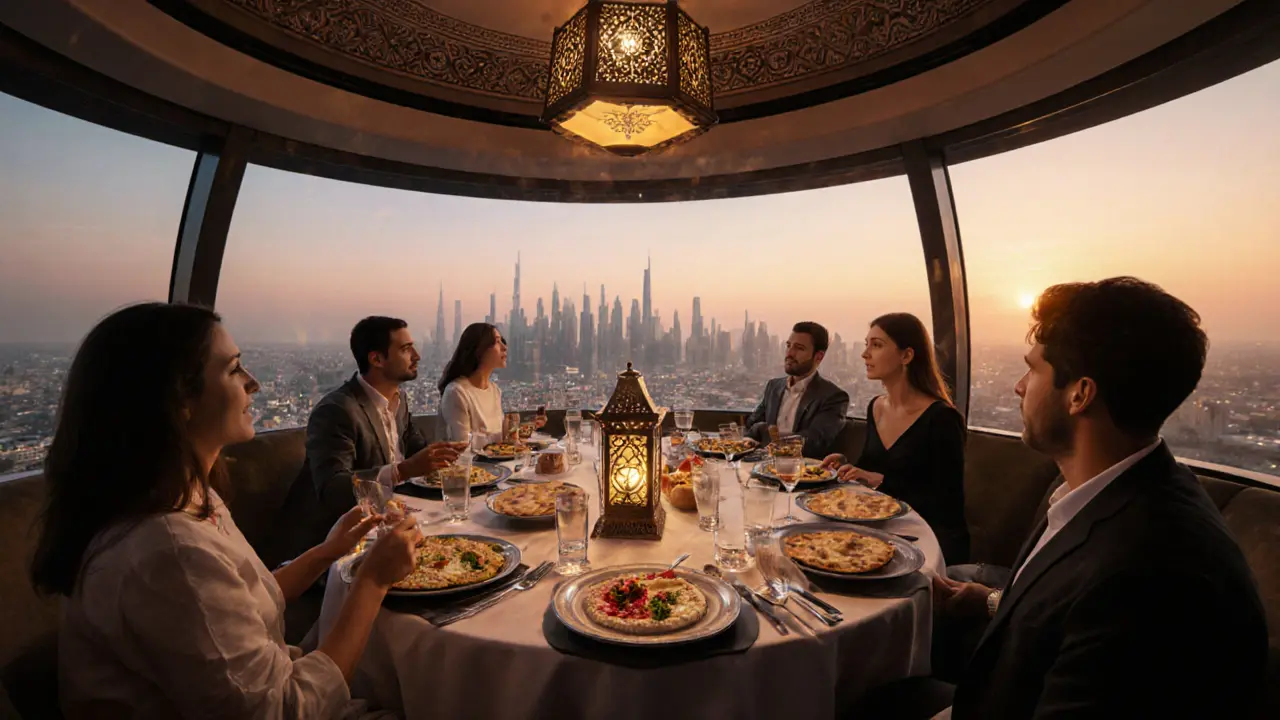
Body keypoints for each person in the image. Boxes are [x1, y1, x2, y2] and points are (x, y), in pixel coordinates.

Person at [32, 303, 418, 719]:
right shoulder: (168, 550)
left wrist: (327, 551)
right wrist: (373, 580)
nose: (253, 383)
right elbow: (285, 711)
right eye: (234, 369)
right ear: (180, 399)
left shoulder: (187, 498)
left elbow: (243, 599)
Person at [934, 278, 1267, 718]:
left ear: (1080, 394)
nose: (1019, 386)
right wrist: (992, 601)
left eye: (1033, 370)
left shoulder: (1151, 578)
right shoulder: (1107, 493)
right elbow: (1067, 616)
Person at [275, 316, 459, 566]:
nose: (417, 356)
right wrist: (403, 470)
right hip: (337, 548)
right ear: (377, 359)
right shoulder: (337, 410)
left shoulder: (399, 399)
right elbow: (333, 489)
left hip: (388, 524)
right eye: (406, 349)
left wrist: (445, 453)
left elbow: (414, 446)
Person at [822, 313, 969, 563]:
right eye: (866, 344)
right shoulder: (876, 407)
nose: (865, 354)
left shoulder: (942, 418)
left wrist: (879, 480)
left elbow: (947, 502)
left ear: (906, 355)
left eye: (876, 345)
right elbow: (873, 467)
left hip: (928, 540)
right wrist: (846, 464)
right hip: (880, 530)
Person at [743, 321, 850, 458]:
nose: (790, 353)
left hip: (803, 468)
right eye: (788, 346)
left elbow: (815, 441)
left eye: (799, 348)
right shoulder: (774, 387)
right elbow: (752, 423)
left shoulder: (833, 397)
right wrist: (757, 431)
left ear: (818, 356)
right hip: (765, 465)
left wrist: (767, 433)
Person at [438, 322, 512, 442]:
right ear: (479, 350)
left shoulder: (494, 391)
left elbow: (501, 441)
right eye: (497, 342)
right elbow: (462, 445)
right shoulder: (457, 392)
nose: (504, 347)